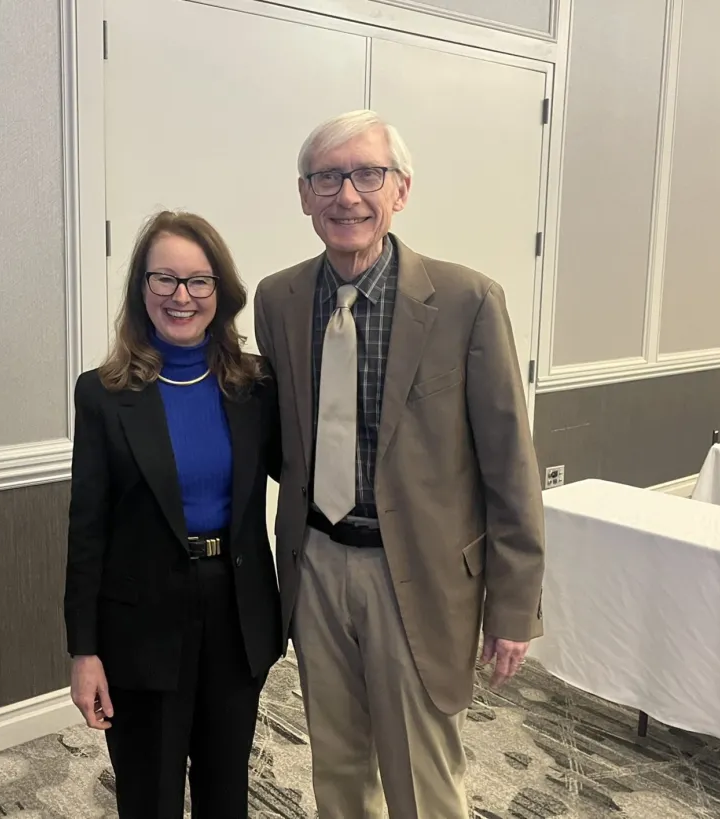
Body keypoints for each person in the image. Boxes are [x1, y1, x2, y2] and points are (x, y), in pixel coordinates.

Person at [253, 110, 546, 818]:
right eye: (327, 177)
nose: (346, 194)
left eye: (367, 174)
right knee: (338, 765)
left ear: (401, 190)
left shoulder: (467, 302)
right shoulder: (278, 299)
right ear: (304, 195)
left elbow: (511, 467)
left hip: (417, 572)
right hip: (316, 564)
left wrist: (514, 606)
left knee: (423, 776)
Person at [64, 210, 282, 819]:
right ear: (141, 289)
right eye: (164, 279)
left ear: (221, 291)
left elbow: (306, 471)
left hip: (236, 614)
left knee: (225, 793)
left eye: (198, 281)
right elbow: (87, 529)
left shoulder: (254, 385)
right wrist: (84, 651)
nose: (181, 297)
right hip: (139, 625)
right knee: (151, 796)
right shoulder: (104, 393)